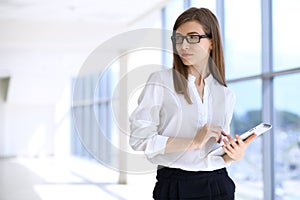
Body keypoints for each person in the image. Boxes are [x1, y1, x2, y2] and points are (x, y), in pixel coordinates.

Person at [129, 7, 256, 200]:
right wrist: (193, 142)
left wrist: (233, 155)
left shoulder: (225, 94)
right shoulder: (161, 82)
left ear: (212, 42)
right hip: (175, 185)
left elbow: (215, 152)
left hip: (219, 184)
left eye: (193, 37)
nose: (184, 46)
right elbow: (139, 139)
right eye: (178, 39)